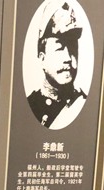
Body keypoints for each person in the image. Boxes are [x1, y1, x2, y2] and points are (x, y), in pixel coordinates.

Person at [27, 1, 87, 129]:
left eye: (72, 48)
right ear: (42, 58)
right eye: (59, 48)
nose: (68, 58)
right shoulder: (30, 105)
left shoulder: (84, 105)